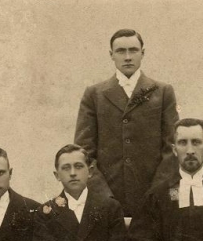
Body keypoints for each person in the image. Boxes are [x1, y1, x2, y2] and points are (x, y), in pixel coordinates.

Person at [74, 28, 180, 217]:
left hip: (153, 196)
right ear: (111, 55)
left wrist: (156, 193)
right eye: (121, 51)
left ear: (142, 53)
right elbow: (84, 153)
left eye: (133, 50)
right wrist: (103, 196)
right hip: (108, 198)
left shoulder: (163, 92)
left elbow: (172, 149)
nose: (128, 57)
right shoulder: (94, 95)